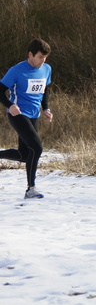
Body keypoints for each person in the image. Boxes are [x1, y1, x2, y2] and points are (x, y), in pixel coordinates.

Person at [0, 38, 53, 199]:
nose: (42, 61)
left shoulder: (46, 69)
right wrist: (10, 105)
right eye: (40, 57)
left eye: (45, 58)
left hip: (34, 115)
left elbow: (45, 90)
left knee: (24, 155)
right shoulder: (16, 70)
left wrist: (46, 108)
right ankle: (31, 189)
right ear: (30, 54)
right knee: (37, 148)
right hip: (18, 114)